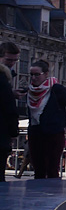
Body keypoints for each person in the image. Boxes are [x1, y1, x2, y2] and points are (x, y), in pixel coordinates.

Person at [26, 59, 66, 179]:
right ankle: (37, 193)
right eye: (31, 74)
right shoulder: (29, 90)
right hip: (35, 131)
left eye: (37, 74)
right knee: (38, 167)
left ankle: (52, 194)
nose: (33, 77)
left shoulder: (56, 89)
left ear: (46, 74)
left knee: (52, 167)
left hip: (53, 132)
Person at [0, 42, 19, 182]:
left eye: (15, 60)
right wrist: (13, 132)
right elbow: (10, 108)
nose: (12, 63)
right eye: (8, 60)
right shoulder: (2, 77)